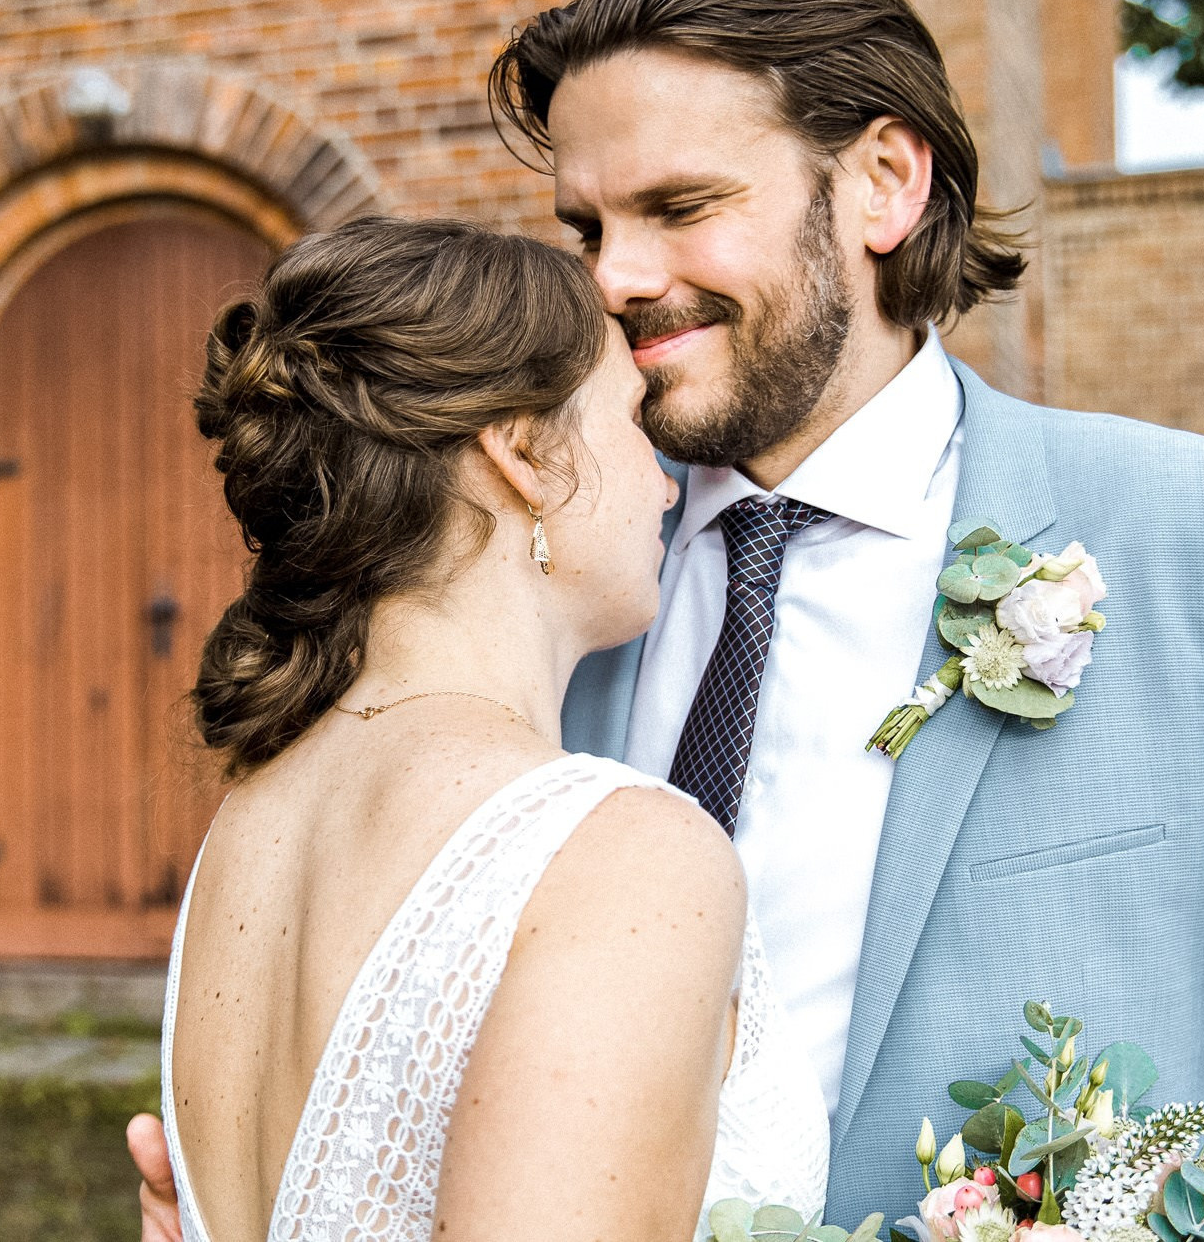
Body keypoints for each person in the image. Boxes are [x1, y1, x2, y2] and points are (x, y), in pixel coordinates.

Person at [135, 0, 1204, 1240]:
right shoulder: (547, 585)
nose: (617, 279)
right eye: (584, 229)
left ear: (882, 182)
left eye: (681, 206)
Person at [146, 217, 830, 1242]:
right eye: (631, 420)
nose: (663, 480)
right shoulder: (623, 854)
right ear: (519, 450)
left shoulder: (251, 824)